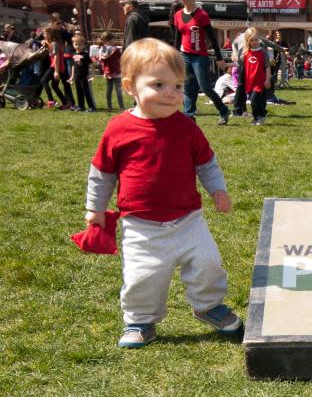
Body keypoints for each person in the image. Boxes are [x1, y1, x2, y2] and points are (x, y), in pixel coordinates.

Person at [84, 38, 241, 348]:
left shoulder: (186, 127)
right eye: (158, 84)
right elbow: (102, 174)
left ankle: (209, 306)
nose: (171, 93)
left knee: (208, 263)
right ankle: (140, 320)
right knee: (144, 276)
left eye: (178, 86)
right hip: (142, 226)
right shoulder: (118, 129)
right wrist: (95, 208)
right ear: (130, 86)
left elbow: (207, 164)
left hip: (188, 220)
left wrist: (218, 190)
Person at [171, 0, 229, 125]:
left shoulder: (202, 15)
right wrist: (174, 54)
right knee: (187, 86)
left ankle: (223, 110)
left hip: (199, 57)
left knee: (205, 87)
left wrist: (220, 58)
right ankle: (189, 116)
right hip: (184, 55)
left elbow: (212, 38)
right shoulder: (178, 15)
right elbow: (177, 37)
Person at [242, 27, 270, 126]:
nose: (254, 42)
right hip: (250, 82)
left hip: (259, 82)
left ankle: (261, 116)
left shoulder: (263, 52)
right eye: (252, 40)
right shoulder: (246, 53)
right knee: (253, 101)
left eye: (256, 39)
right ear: (248, 41)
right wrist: (227, 65)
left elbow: (267, 66)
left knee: (254, 99)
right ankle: (256, 117)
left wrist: (267, 79)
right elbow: (238, 64)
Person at [99, 31, 125, 111]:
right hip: (116, 72)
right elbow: (121, 57)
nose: (114, 41)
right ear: (109, 40)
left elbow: (101, 61)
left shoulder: (101, 50)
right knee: (118, 91)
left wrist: (104, 72)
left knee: (109, 90)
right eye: (113, 39)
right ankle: (121, 107)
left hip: (107, 73)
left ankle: (109, 106)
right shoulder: (115, 49)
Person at [70, 33, 97, 111]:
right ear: (73, 45)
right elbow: (73, 66)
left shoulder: (85, 54)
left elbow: (91, 64)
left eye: (79, 45)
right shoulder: (74, 54)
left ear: (83, 45)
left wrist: (92, 74)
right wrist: (72, 76)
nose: (77, 46)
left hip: (84, 75)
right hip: (77, 76)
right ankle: (81, 106)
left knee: (86, 91)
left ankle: (91, 107)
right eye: (76, 44)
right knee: (79, 91)